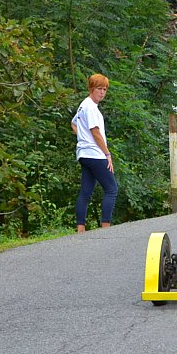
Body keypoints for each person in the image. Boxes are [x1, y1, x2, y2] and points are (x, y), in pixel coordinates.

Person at [71, 73, 118, 234]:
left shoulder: (83, 105)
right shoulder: (90, 107)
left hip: (84, 154)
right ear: (91, 88)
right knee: (111, 189)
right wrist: (107, 154)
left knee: (86, 191)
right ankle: (106, 227)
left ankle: (80, 229)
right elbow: (95, 131)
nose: (102, 92)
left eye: (104, 89)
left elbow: (73, 123)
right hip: (95, 154)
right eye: (99, 88)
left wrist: (82, 138)